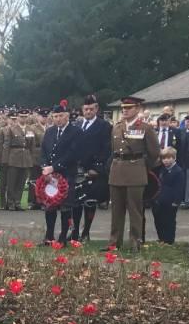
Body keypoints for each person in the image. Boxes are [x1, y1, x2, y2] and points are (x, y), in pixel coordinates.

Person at [107, 96, 160, 251]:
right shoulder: (117, 127)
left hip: (136, 170)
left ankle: (135, 241)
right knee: (116, 210)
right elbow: (113, 150)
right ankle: (114, 241)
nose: (125, 110)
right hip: (117, 170)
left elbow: (154, 152)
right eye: (123, 108)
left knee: (135, 209)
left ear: (137, 109)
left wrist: (143, 166)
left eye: (129, 108)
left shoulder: (145, 127)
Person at [72, 95, 113, 242]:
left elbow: (107, 149)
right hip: (77, 169)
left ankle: (86, 232)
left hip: (93, 170)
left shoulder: (104, 126)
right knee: (75, 202)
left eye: (91, 109)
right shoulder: (76, 125)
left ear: (96, 109)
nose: (88, 111)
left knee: (90, 202)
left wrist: (97, 168)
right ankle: (75, 230)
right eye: (86, 109)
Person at [38, 105, 73, 242]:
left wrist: (54, 167)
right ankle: (49, 236)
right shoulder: (50, 131)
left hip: (66, 173)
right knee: (50, 205)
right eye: (55, 116)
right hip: (50, 175)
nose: (58, 119)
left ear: (67, 116)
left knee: (65, 207)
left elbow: (72, 154)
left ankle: (63, 237)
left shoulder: (75, 132)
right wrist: (45, 167)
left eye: (61, 116)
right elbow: (44, 152)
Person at [151, 147, 184, 244]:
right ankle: (161, 238)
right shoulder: (161, 170)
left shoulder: (178, 171)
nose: (166, 160)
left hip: (171, 201)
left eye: (169, 158)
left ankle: (169, 240)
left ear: (174, 158)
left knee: (169, 221)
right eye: (164, 158)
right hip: (159, 200)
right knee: (158, 220)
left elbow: (180, 188)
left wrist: (176, 201)